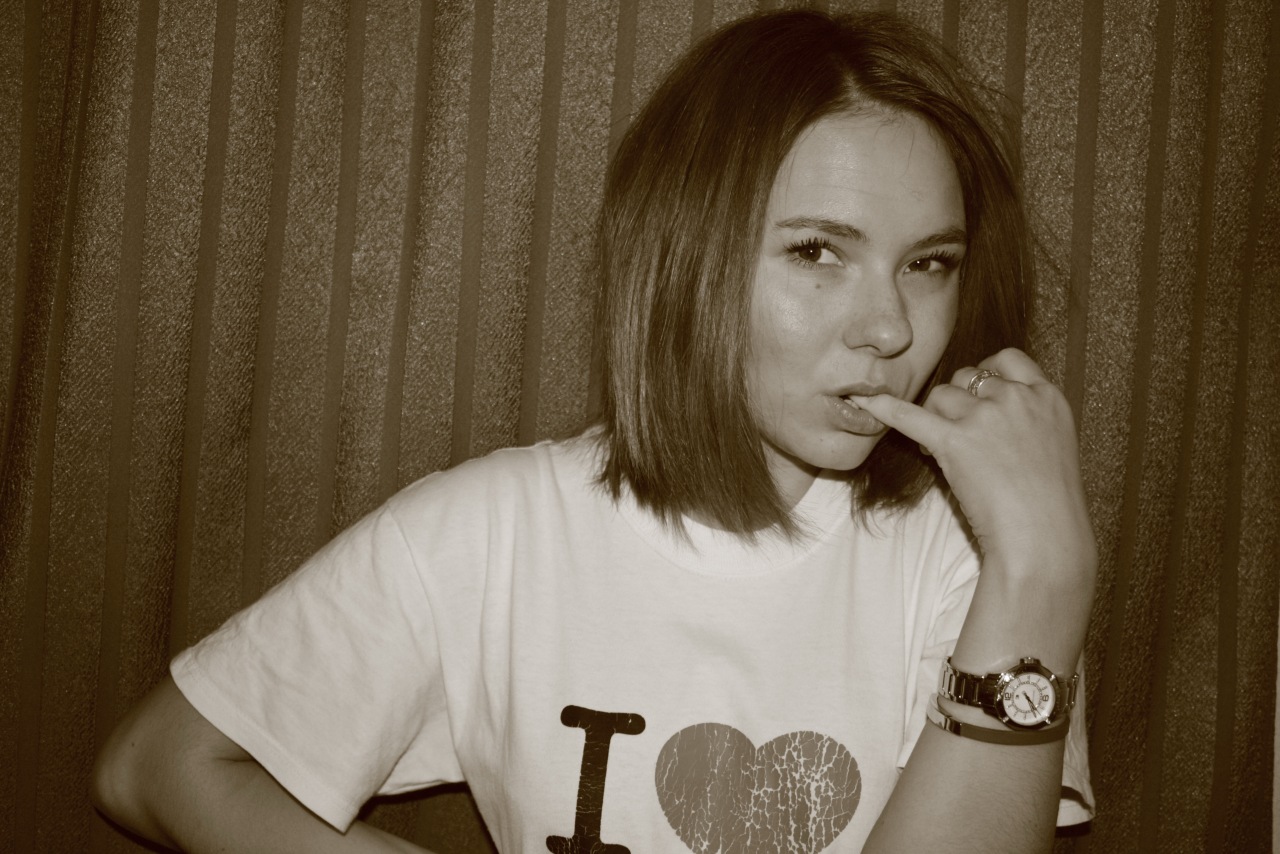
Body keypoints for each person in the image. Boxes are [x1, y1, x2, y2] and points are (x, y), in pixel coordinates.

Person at [93, 9, 1096, 852]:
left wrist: (1044, 567)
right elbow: (157, 765)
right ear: (687, 256)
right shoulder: (500, 532)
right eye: (816, 252)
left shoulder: (979, 559)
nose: (889, 328)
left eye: (928, 263)